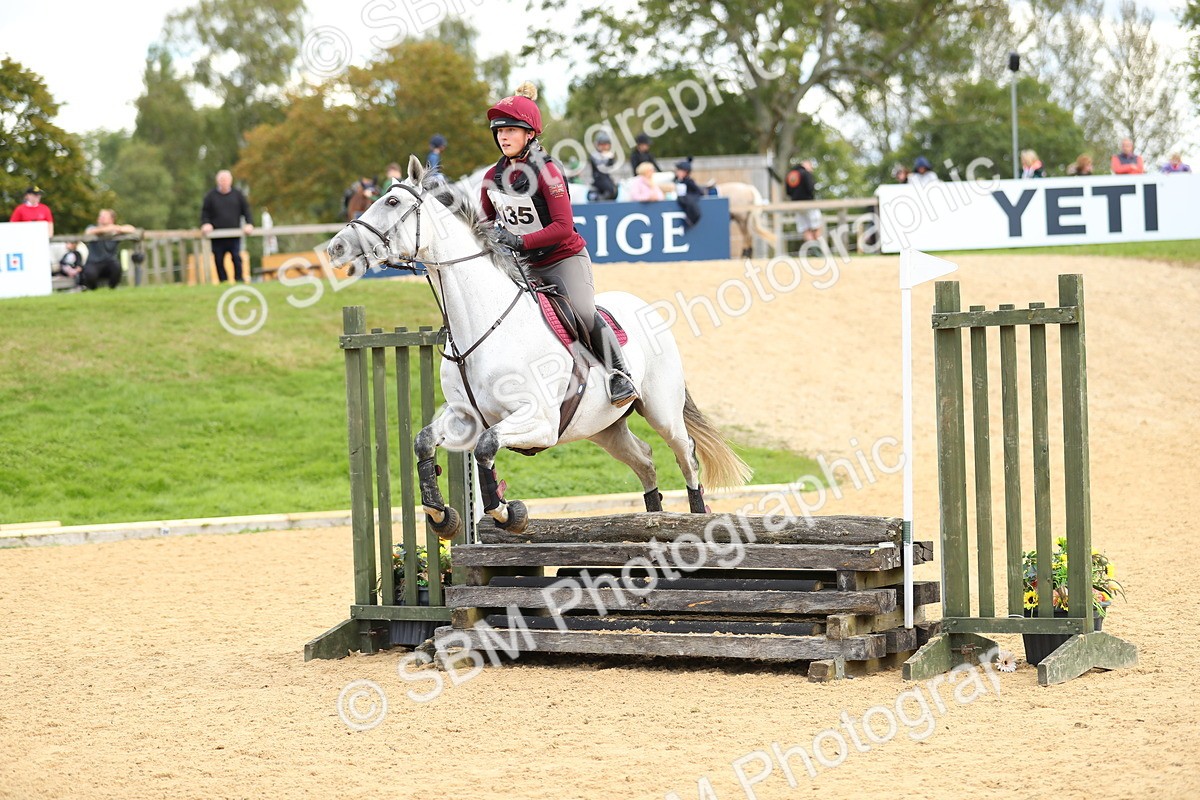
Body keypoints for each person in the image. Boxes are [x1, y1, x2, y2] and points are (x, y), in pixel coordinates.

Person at [481, 81, 636, 407]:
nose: (503, 137)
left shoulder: (548, 172)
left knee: (581, 309)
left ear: (530, 135)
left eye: (511, 130)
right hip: (521, 264)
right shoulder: (491, 177)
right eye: (499, 131)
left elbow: (564, 228)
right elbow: (484, 221)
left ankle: (619, 373)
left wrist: (519, 240)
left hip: (561, 258)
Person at [200, 170, 253, 283]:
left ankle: (239, 280)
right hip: (217, 236)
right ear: (217, 181)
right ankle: (223, 281)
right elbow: (205, 213)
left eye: (226, 179)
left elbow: (247, 211)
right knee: (218, 259)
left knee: (236, 257)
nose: (224, 182)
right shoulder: (210, 196)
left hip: (234, 235)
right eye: (222, 180)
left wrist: (249, 224)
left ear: (230, 181)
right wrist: (206, 223)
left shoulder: (238, 195)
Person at [83, 209, 136, 290]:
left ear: (111, 219)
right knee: (90, 274)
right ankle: (92, 290)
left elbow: (132, 229)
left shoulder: (115, 230)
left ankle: (112, 289)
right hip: (94, 262)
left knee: (116, 267)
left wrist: (117, 229)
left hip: (109, 262)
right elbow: (88, 232)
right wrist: (106, 229)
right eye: (100, 216)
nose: (100, 218)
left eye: (103, 216)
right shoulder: (92, 227)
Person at [785, 159, 822, 242]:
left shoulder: (790, 175)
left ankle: (813, 249)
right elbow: (810, 188)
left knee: (805, 228)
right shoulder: (806, 173)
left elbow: (788, 192)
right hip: (808, 203)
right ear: (807, 165)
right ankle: (819, 248)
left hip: (796, 205)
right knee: (817, 225)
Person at [587, 132, 618, 202]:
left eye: (606, 144)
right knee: (609, 190)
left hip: (606, 178)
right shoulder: (595, 155)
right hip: (598, 179)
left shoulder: (609, 155)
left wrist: (610, 158)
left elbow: (610, 167)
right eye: (602, 144)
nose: (604, 147)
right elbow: (600, 167)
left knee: (614, 190)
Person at [673, 158, 703, 230]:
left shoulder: (689, 182)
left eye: (679, 170)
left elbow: (699, 192)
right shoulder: (676, 180)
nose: (677, 172)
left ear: (685, 172)